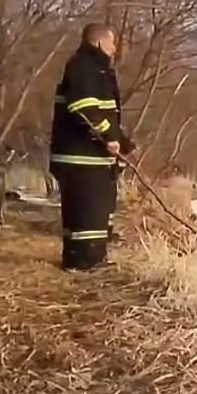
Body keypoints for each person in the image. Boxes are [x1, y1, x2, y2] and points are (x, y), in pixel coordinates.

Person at [50, 23, 131, 271]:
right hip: (81, 158)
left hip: (90, 157)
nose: (115, 48)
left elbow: (103, 111)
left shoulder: (96, 70)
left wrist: (125, 143)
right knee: (87, 211)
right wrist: (109, 136)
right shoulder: (85, 68)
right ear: (98, 42)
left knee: (93, 211)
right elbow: (84, 108)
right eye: (111, 42)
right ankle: (85, 262)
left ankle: (86, 259)